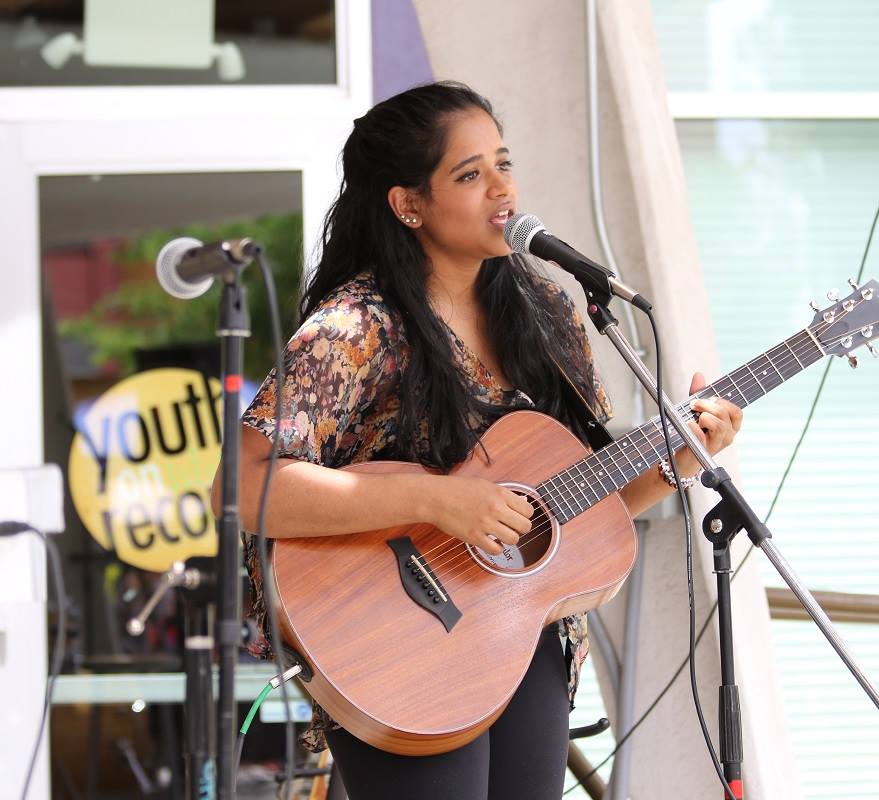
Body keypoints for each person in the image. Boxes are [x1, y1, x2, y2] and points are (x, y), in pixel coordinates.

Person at [212, 81, 742, 800]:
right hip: (396, 639)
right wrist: (438, 501)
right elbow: (239, 484)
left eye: (504, 163)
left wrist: (673, 465)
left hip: (520, 631)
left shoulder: (547, 312)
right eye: (469, 174)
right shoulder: (358, 328)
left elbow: (575, 504)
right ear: (408, 204)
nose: (502, 189)